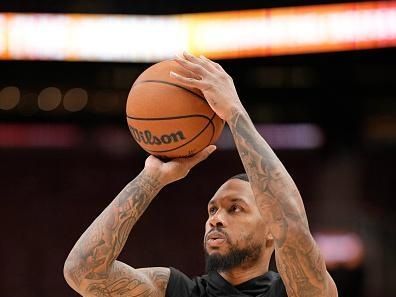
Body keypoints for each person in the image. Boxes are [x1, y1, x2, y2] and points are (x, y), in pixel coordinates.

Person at [64, 52, 338, 297]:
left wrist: (234, 114)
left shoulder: (298, 290)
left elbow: (291, 225)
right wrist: (151, 180)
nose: (215, 219)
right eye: (212, 210)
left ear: (270, 230)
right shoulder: (174, 290)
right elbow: (83, 272)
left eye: (235, 209)